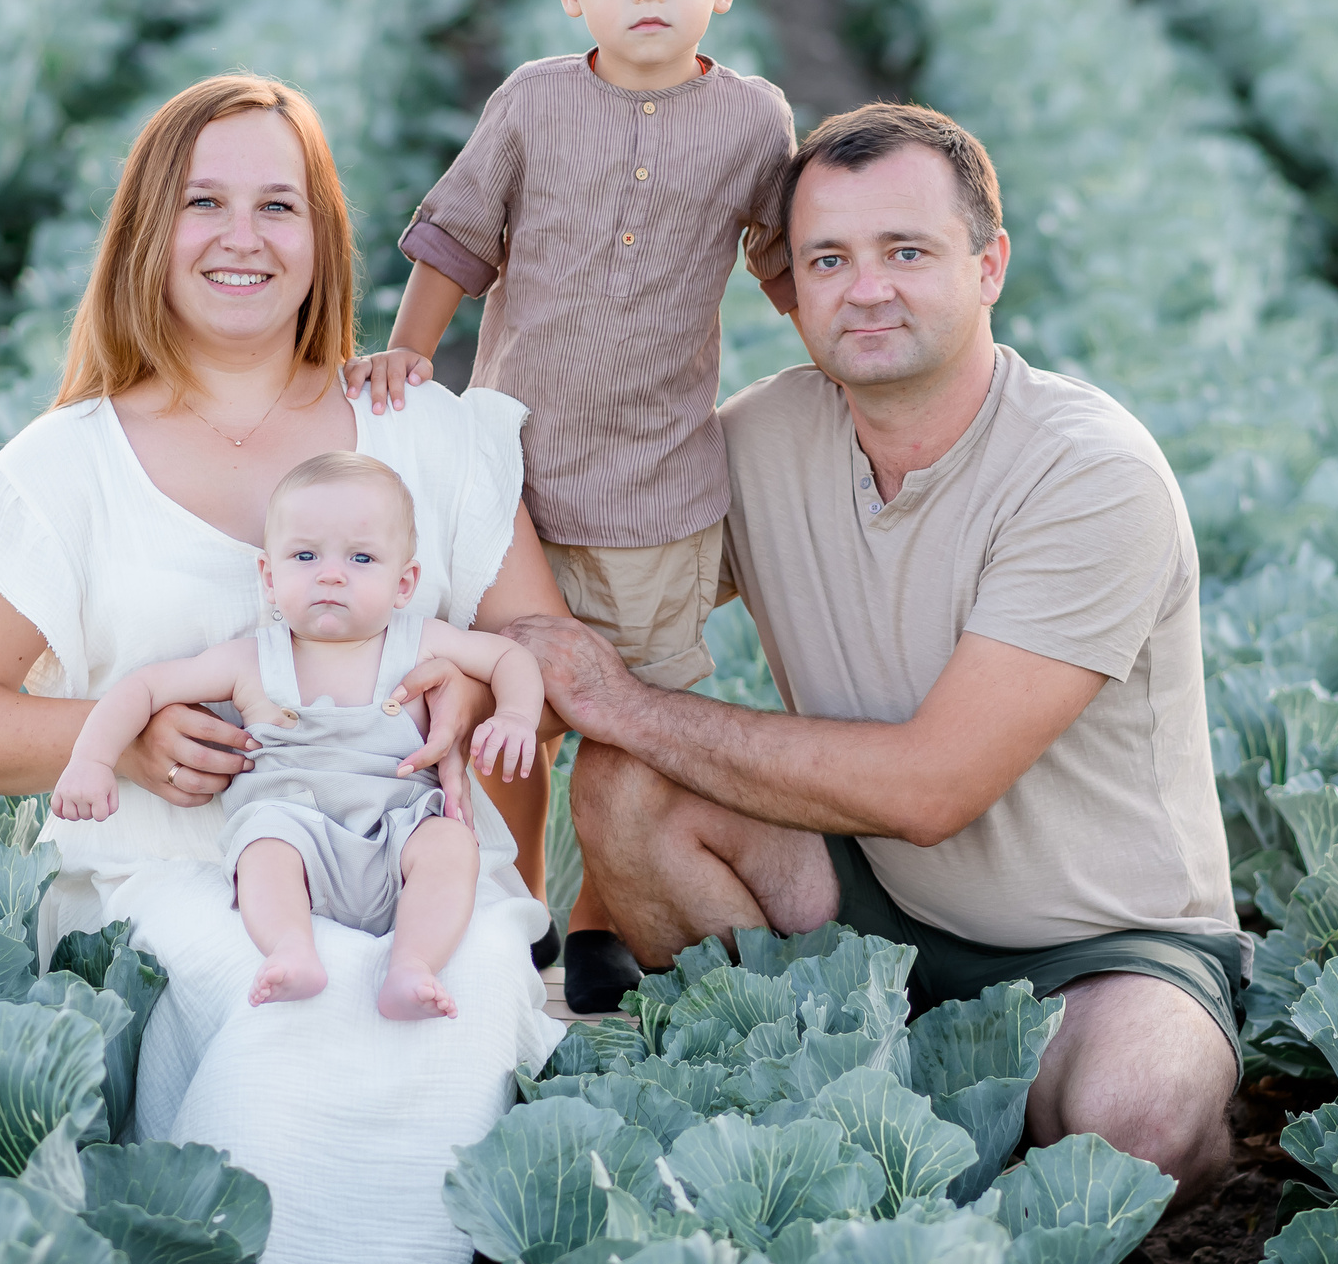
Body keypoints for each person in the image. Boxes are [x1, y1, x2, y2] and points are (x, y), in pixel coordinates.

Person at [506, 104, 1246, 1202]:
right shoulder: (763, 440)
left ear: (988, 265)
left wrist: (616, 700)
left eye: (906, 252)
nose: (866, 289)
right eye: (828, 260)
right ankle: (844, 1091)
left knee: (1126, 1131)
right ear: (789, 288)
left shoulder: (1088, 475)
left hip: (1097, 946)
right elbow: (589, 558)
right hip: (865, 899)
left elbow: (931, 788)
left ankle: (1075, 1121)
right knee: (627, 793)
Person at [0, 75, 568, 1264]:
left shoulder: (422, 429)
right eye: (205, 203)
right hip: (174, 870)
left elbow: (540, 645)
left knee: (438, 1009)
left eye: (279, 206)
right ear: (149, 232)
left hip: (415, 855)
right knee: (287, 1025)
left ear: (322, 239)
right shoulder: (70, 463)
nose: (243, 238)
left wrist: (467, 690)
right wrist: (123, 735)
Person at [347, 0, 796, 1009]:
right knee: (512, 717)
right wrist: (406, 349)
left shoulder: (753, 122)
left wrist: (839, 366)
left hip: (655, 495)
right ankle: (519, 900)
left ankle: (600, 911)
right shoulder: (536, 104)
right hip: (515, 488)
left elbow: (786, 258)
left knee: (628, 726)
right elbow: (458, 234)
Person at [52, 451, 543, 1019]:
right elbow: (145, 687)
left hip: (400, 825)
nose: (331, 574)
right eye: (305, 555)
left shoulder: (420, 641)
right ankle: (290, 948)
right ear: (269, 576)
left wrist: (515, 716)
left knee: (452, 846)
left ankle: (413, 964)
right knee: (263, 849)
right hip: (294, 826)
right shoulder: (253, 660)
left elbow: (510, 657)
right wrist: (92, 757)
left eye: (361, 558)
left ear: (404, 582)